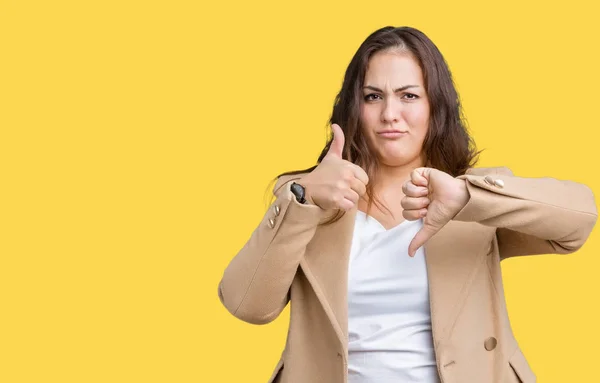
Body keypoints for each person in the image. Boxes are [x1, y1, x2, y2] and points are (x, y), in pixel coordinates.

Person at [217, 26, 597, 383]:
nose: (389, 114)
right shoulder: (309, 198)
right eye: (373, 96)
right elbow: (246, 304)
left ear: (435, 107)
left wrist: (467, 198)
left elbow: (579, 221)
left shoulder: (474, 199)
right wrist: (303, 199)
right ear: (354, 107)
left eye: (409, 95)